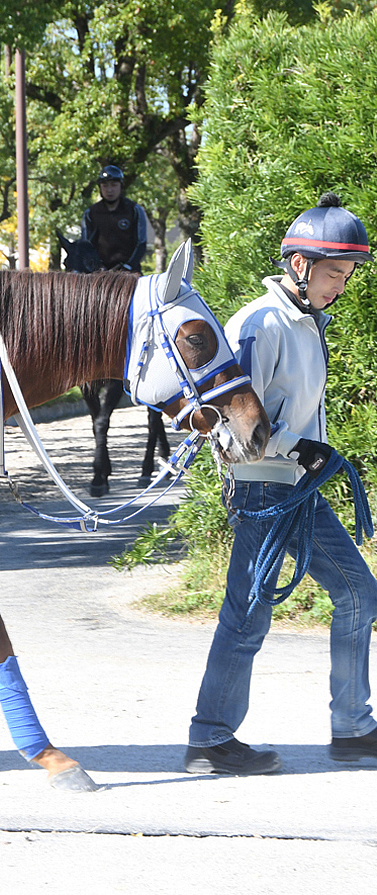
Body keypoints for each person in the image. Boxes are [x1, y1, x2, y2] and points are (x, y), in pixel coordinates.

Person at [184, 192, 377, 775]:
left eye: (346, 277)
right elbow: (228, 430)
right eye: (332, 274)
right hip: (264, 491)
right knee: (247, 615)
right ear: (299, 265)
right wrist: (303, 448)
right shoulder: (260, 325)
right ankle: (209, 741)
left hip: (295, 490)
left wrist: (310, 454)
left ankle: (352, 728)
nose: (338, 287)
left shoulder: (304, 322)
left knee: (358, 594)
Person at [80, 165, 149, 272]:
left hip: (129, 272)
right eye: (105, 186)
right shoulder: (90, 213)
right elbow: (86, 246)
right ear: (100, 188)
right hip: (99, 273)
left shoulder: (134, 210)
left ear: (121, 186)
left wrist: (128, 266)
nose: (109, 190)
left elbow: (141, 243)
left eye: (114, 185)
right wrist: (97, 266)